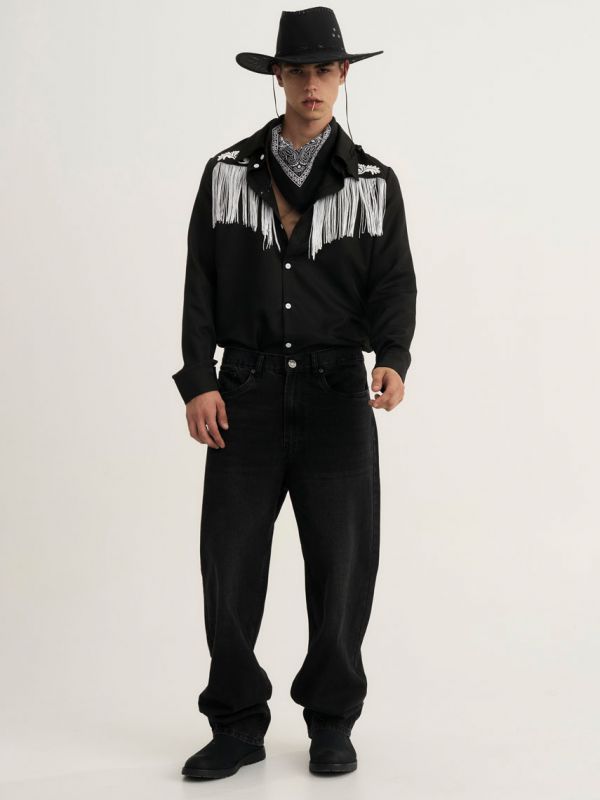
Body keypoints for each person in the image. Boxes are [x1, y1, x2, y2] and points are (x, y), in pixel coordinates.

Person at [173, 6, 417, 780]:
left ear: (343, 77)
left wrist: (394, 357)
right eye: (298, 70)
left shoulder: (374, 184)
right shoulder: (225, 174)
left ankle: (332, 722)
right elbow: (200, 282)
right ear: (278, 77)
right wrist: (198, 380)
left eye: (324, 70)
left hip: (337, 392)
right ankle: (236, 723)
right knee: (229, 563)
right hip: (241, 393)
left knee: (343, 565)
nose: (312, 84)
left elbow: (394, 282)